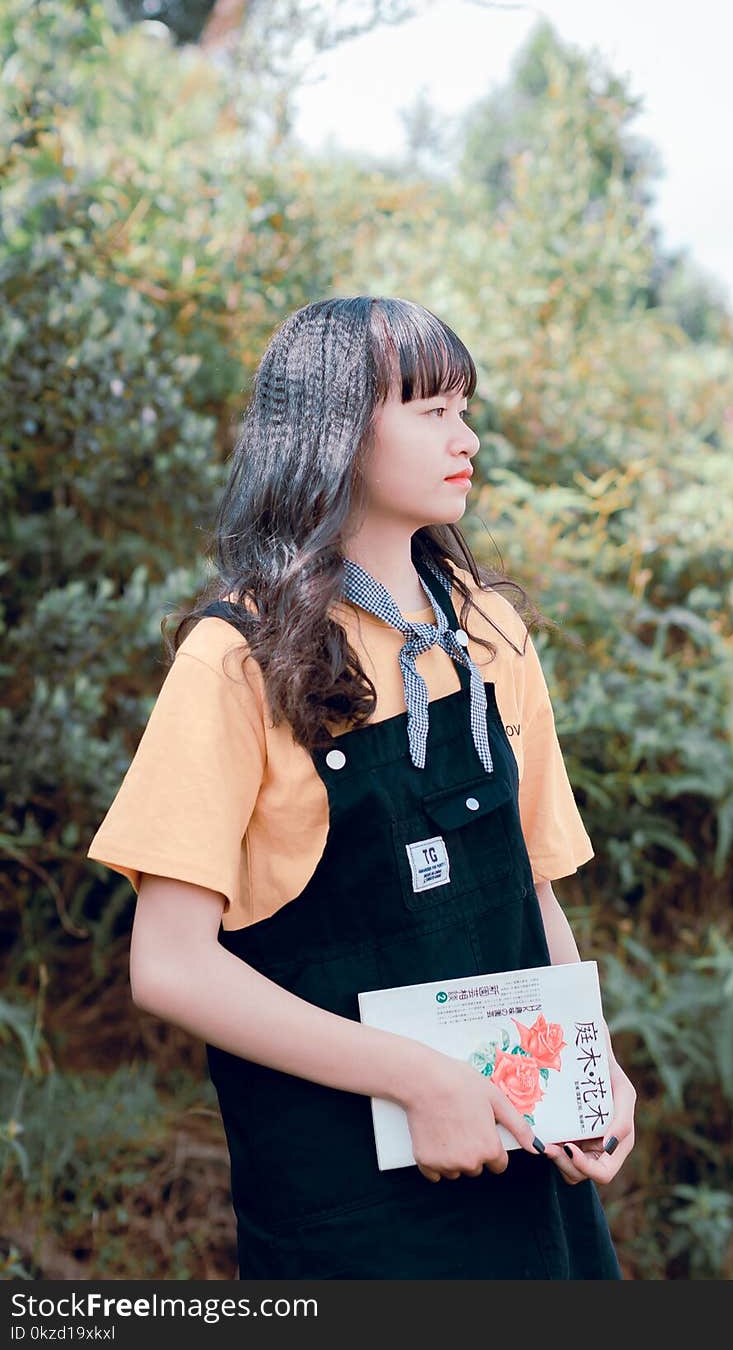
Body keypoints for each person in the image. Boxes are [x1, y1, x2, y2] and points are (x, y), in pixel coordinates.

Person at [86, 295, 636, 1280]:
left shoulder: (489, 630)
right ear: (334, 430)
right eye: (430, 410)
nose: (465, 438)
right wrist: (416, 1080)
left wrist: (589, 1069)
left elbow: (531, 889)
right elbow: (168, 965)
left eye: (466, 408)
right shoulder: (239, 659)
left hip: (527, 1169)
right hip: (345, 1211)